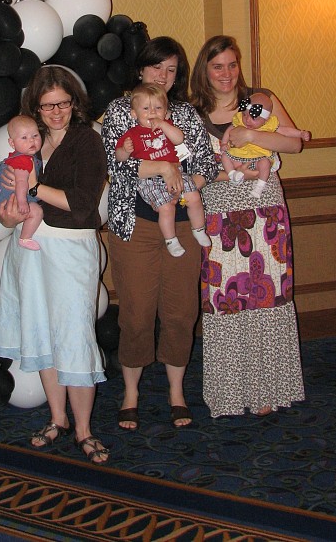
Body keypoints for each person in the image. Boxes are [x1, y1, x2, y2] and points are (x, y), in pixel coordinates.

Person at [0, 66, 110, 465]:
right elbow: (8, 211)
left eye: (63, 103)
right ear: (36, 109)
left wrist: (32, 186)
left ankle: (84, 429)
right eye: (48, 105)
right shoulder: (28, 143)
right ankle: (57, 419)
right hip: (28, 249)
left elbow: (81, 204)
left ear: (74, 103)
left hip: (71, 249)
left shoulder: (87, 141)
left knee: (75, 334)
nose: (56, 112)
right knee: (40, 330)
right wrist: (10, 213)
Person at [101, 37, 218, 431]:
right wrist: (163, 170)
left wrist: (180, 178)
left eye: (171, 70)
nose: (163, 77)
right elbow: (115, 167)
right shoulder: (122, 109)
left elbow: (206, 166)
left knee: (181, 312)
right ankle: (131, 393)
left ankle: (176, 391)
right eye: (156, 68)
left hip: (183, 225)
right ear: (140, 70)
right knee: (135, 313)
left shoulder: (184, 114)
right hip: (134, 227)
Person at [190, 35, 306, 418]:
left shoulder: (259, 101)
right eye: (217, 66)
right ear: (204, 71)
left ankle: (268, 387)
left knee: (267, 293)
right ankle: (230, 390)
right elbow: (192, 167)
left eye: (232, 64)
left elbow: (293, 145)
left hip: (264, 209)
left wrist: (251, 135)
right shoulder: (193, 111)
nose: (226, 74)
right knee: (226, 300)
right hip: (220, 213)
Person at [115, 82, 210, 256]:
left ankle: (198, 229)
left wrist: (164, 124)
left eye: (158, 108)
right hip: (149, 179)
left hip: (177, 173)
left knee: (194, 197)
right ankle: (171, 239)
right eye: (146, 108)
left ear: (165, 112)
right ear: (134, 114)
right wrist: (125, 150)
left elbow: (178, 139)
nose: (152, 112)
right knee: (166, 208)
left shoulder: (167, 126)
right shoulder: (132, 134)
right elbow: (118, 159)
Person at [220, 92, 311, 197]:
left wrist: (300, 133)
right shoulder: (240, 121)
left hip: (259, 157)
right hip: (238, 155)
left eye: (254, 117)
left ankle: (260, 186)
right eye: (245, 115)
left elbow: (285, 131)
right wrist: (224, 143)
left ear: (266, 119)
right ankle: (232, 174)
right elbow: (230, 129)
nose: (247, 120)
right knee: (225, 156)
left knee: (265, 163)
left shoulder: (270, 124)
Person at [0, 115, 43, 251]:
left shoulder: (17, 157)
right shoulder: (23, 160)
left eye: (35, 135)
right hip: (14, 200)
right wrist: (22, 202)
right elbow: (21, 182)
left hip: (8, 200)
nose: (31, 140)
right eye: (24, 138)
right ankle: (25, 238)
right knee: (37, 212)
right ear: (12, 143)